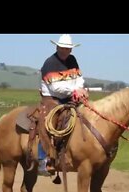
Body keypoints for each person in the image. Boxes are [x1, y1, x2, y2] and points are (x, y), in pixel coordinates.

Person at [37, 34, 89, 176]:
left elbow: (79, 78)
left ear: (71, 50)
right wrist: (75, 90)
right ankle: (42, 159)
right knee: (47, 121)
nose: (65, 51)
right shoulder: (50, 63)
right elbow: (55, 88)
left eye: (68, 48)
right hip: (51, 98)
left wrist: (80, 89)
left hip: (69, 97)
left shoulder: (72, 60)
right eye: (63, 48)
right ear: (57, 47)